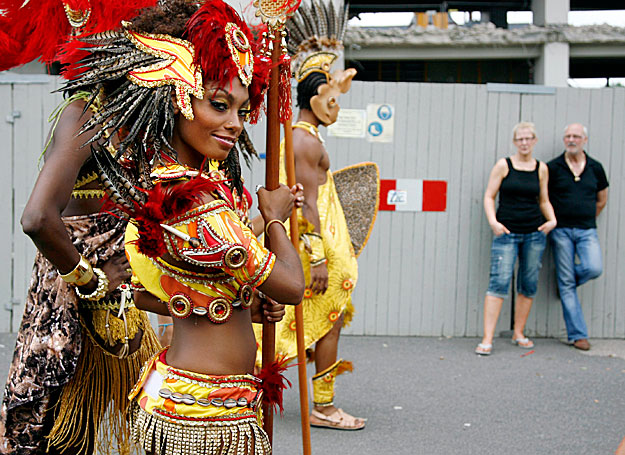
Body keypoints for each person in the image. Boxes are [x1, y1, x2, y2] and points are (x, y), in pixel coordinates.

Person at [60, 1, 305, 453]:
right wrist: (274, 218)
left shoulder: (181, 189)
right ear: (176, 96)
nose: (234, 123)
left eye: (241, 109)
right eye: (219, 105)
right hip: (201, 419)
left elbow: (180, 294)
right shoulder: (196, 204)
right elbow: (291, 286)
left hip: (196, 402)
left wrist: (243, 303)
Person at [0, 3, 162, 454]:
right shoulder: (83, 112)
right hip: (74, 303)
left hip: (124, 308)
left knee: (153, 424)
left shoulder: (145, 121)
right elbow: (37, 218)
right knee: (60, 434)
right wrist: (89, 282)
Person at [254, 1, 367, 431]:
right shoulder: (303, 142)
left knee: (322, 324)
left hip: (318, 250)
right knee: (324, 324)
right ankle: (321, 407)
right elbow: (305, 202)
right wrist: (318, 256)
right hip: (314, 251)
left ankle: (316, 400)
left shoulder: (307, 138)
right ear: (317, 96)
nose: (336, 107)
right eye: (333, 98)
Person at [476, 122, 557, 356]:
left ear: (534, 140)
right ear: (514, 142)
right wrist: (493, 222)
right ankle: (487, 338)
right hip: (506, 234)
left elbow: (544, 199)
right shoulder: (504, 165)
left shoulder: (541, 168)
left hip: (534, 234)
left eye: (528, 138)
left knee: (528, 284)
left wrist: (552, 220)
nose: (524, 143)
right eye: (520, 139)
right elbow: (489, 196)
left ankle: (518, 333)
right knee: (498, 283)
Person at [547, 123, 609, 351]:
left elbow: (602, 199)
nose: (571, 140)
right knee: (566, 285)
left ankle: (566, 279)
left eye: (576, 136)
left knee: (593, 268)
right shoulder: (553, 167)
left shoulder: (596, 168)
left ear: (585, 139)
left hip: (587, 230)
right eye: (567, 136)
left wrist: (588, 216)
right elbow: (543, 199)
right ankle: (578, 335)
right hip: (561, 231)